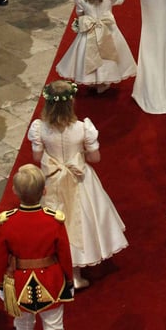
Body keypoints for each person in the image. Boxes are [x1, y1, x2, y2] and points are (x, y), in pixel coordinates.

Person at [28, 80, 128, 290]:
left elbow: (37, 156)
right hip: (79, 178)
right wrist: (81, 153)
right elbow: (95, 158)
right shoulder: (83, 128)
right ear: (71, 102)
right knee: (80, 220)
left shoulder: (40, 128)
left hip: (52, 179)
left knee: (56, 221)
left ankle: (55, 267)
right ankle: (76, 275)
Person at [0, 164, 74, 330]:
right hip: (51, 283)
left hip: (19, 285)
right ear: (44, 191)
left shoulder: (7, 222)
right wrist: (69, 281)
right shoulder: (53, 221)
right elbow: (65, 255)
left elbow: (1, 257)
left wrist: (2, 285)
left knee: (23, 328)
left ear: (16, 192)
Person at [56, 0, 136, 91]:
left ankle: (92, 79)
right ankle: (104, 81)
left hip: (90, 30)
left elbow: (80, 13)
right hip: (108, 30)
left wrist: (83, 21)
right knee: (108, 54)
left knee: (90, 52)